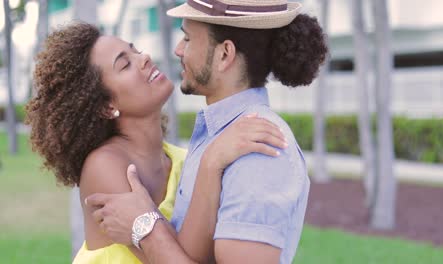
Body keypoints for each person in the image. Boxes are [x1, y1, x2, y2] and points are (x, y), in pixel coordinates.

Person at [86, 0, 328, 263]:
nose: (178, 50)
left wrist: (144, 228)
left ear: (225, 54)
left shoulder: (260, 148)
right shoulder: (219, 141)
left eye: (188, 39)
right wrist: (210, 163)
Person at [25, 22, 287, 263]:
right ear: (106, 105)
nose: (144, 58)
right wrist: (211, 162)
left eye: (135, 50)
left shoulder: (183, 161)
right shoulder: (104, 166)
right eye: (124, 64)